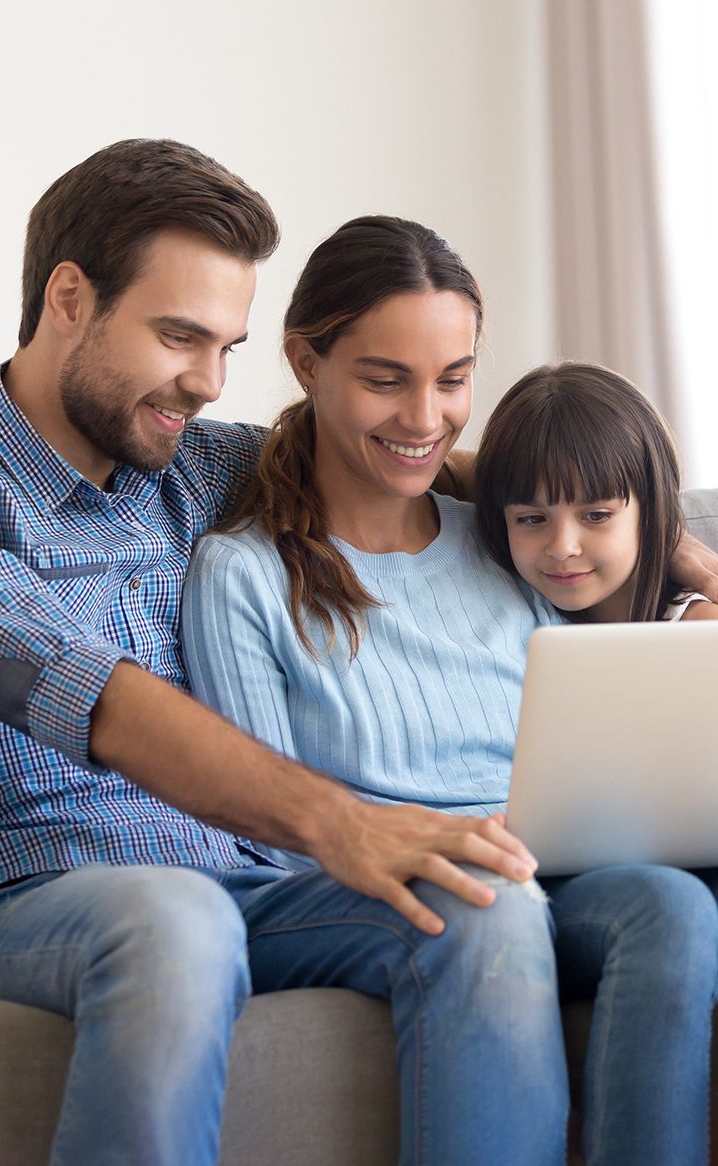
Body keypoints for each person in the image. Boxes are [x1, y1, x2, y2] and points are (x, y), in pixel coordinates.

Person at [0, 138, 587, 1166]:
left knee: (484, 899)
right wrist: (347, 822)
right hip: (32, 904)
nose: (204, 381)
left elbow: (410, 452)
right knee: (176, 917)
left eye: (228, 348)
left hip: (248, 891)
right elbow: (96, 696)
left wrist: (668, 540)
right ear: (69, 297)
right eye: (179, 335)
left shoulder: (194, 460)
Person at [182, 215, 718, 1166]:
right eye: (385, 380)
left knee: (671, 907)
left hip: (541, 865)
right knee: (492, 899)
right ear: (306, 364)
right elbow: (260, 831)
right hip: (380, 884)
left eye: (454, 379)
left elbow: (593, 705)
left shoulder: (503, 540)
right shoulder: (244, 574)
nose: (425, 418)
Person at [473, 360, 718, 623]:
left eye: (597, 516)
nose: (562, 548)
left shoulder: (701, 628)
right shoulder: (512, 618)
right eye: (532, 519)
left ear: (650, 510)